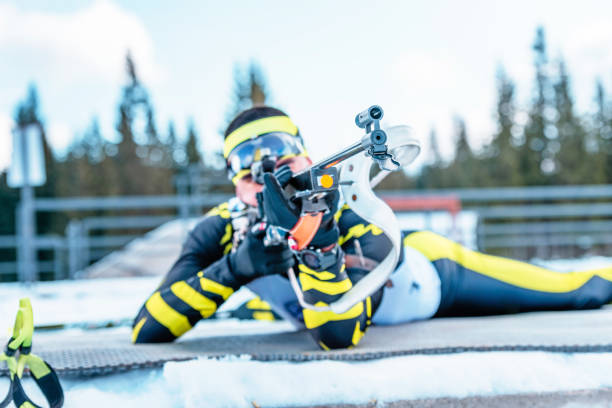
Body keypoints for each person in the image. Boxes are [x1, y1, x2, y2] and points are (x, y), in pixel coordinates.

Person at [132, 106, 612, 349]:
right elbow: (146, 329)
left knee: (577, 289)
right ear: (236, 185)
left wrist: (318, 244)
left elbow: (340, 335)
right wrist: (234, 269)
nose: (273, 178)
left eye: (285, 157)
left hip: (437, 278)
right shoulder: (221, 229)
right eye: (250, 170)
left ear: (306, 155)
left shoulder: (344, 204)